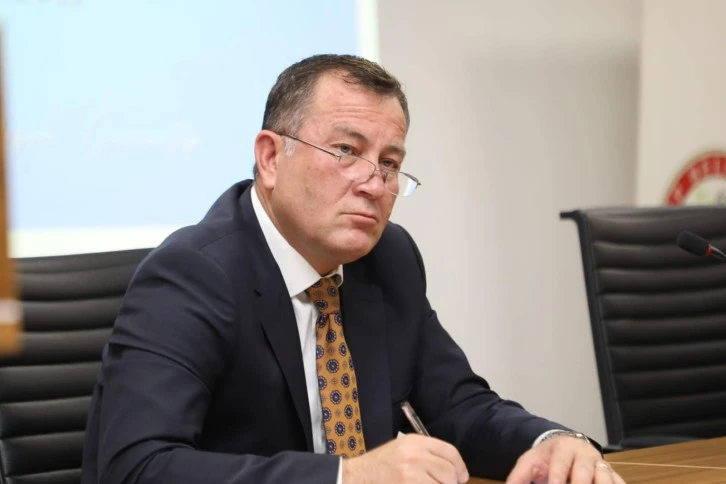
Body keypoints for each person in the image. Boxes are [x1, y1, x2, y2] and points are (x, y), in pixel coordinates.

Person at [81, 54, 625, 484]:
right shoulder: (192, 275)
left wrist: (550, 442)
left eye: (390, 163)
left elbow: (457, 405)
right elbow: (136, 467)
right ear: (270, 158)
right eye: (346, 150)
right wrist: (349, 476)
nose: (374, 183)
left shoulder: (388, 259)